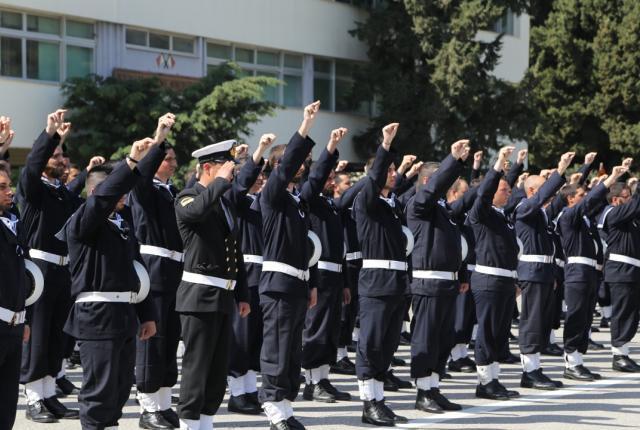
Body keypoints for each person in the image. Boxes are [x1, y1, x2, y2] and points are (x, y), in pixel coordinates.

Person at [57, 127, 169, 428]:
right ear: (96, 193)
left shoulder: (121, 226)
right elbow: (104, 199)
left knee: (119, 390)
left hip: (125, 314)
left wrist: (146, 314)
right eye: (117, 190)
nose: (124, 195)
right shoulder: (82, 221)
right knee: (99, 393)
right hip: (97, 316)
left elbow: (136, 272)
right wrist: (130, 160)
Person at [174, 135, 254, 429]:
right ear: (208, 167)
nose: (230, 173)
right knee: (197, 366)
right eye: (225, 167)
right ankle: (189, 423)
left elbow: (235, 251)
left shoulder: (221, 203)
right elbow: (195, 212)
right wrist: (219, 182)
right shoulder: (187, 196)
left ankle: (206, 422)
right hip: (198, 295)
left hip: (223, 296)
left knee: (218, 370)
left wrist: (242, 294)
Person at [257, 102, 320, 430]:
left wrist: (311, 283)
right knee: (277, 349)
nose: (304, 165)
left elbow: (307, 248)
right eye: (299, 161)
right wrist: (304, 128)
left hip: (297, 283)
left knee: (292, 350)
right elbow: (284, 171)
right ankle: (272, 405)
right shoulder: (272, 195)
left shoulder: (297, 203)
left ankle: (284, 407)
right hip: (278, 284)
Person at [17, 110, 79, 422]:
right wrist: (50, 134)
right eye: (55, 155)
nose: (61, 159)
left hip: (62, 270)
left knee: (56, 336)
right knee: (38, 336)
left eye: (63, 155)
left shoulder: (62, 193)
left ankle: (49, 392)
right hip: (39, 269)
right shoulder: (34, 188)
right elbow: (32, 165)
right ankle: (33, 397)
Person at [406, 140, 470, 414]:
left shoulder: (443, 210)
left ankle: (433, 387)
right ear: (428, 181)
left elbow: (455, 245)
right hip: (428, 281)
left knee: (443, 339)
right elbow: (432, 191)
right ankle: (422, 391)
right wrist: (453, 160)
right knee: (427, 338)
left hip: (447, 282)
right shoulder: (419, 204)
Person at [128, 115, 184, 429]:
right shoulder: (144, 188)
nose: (173, 163)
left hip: (174, 270)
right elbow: (142, 172)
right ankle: (148, 407)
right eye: (167, 158)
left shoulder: (171, 191)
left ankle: (163, 402)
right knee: (152, 339)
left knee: (170, 338)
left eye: (174, 159)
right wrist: (159, 138)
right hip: (155, 268)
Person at [353, 123, 409, 427]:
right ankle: (368, 403)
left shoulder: (392, 205)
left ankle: (379, 399)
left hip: (396, 283)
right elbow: (374, 179)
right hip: (376, 282)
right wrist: (385, 144)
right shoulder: (367, 200)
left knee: (387, 345)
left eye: (393, 170)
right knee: (372, 344)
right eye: (388, 170)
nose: (393, 173)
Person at [556, 163, 627, 381]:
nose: (584, 196)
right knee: (576, 317)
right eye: (580, 195)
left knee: (586, 319)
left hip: (590, 273)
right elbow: (590, 201)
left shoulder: (585, 219)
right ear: (570, 199)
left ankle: (578, 360)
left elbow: (597, 202)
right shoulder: (568, 215)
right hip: (577, 272)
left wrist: (613, 181)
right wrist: (609, 179)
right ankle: (571, 363)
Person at [512, 152, 574, 389]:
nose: (549, 196)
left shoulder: (540, 213)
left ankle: (535, 368)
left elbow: (556, 201)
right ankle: (529, 372)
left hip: (544, 272)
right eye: (543, 190)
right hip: (532, 271)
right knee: (532, 322)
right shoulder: (524, 208)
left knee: (542, 322)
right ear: (531, 191)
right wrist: (560, 169)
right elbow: (544, 197)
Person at [301, 128, 352, 403]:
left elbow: (339, 248)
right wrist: (331, 146)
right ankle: (311, 382)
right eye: (328, 176)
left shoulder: (329, 205)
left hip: (334, 275)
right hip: (318, 273)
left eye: (333, 176)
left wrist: (345, 282)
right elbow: (317, 176)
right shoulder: (308, 198)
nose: (331, 180)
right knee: (316, 329)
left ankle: (323, 378)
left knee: (331, 330)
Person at [227, 135, 276, 416]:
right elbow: (241, 183)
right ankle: (236, 393)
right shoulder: (233, 200)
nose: (259, 179)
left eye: (261, 175)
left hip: (262, 275)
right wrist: (256, 153)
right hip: (244, 274)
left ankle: (249, 390)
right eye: (255, 174)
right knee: (241, 337)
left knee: (254, 339)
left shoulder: (259, 201)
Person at [468, 146, 521, 401]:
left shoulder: (502, 216)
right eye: (504, 189)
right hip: (488, 279)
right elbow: (484, 192)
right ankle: (484, 382)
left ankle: (494, 379)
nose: (508, 192)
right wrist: (498, 164)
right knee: (487, 333)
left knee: (499, 333)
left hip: (504, 279)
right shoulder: (482, 212)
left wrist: (514, 279)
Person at [0, 148, 33, 430]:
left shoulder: (13, 221)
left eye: (8, 185)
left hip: (14, 324)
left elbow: (22, 277)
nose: (9, 191)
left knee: (7, 404)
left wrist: (24, 318)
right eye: (2, 187)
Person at [596, 161, 640, 373]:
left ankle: (623, 352)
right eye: (626, 196)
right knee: (622, 314)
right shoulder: (612, 213)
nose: (630, 200)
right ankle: (618, 355)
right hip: (620, 271)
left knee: (631, 314)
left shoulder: (628, 217)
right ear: (615, 199)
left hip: (631, 271)